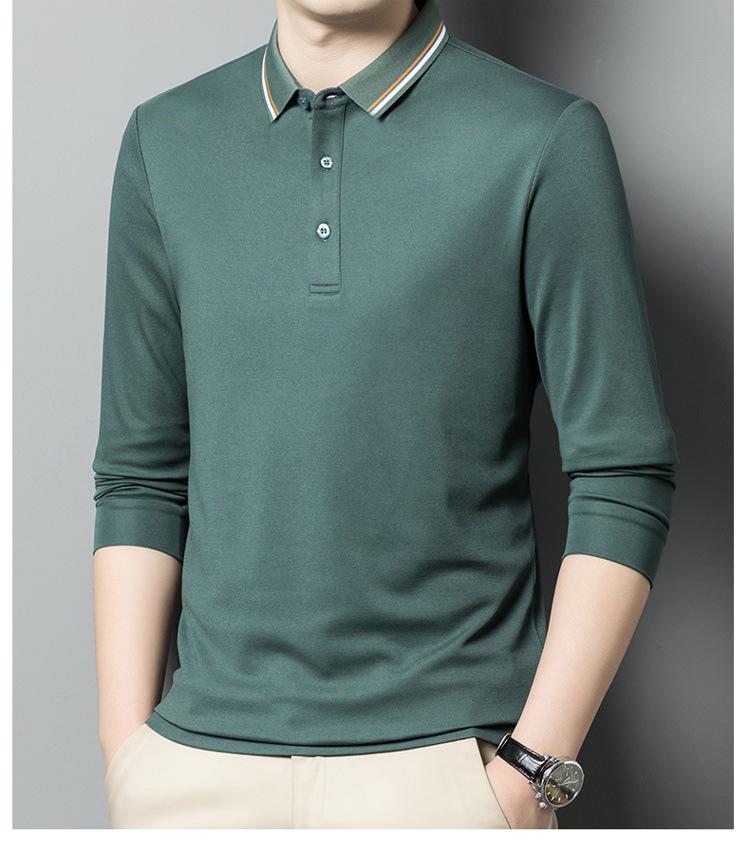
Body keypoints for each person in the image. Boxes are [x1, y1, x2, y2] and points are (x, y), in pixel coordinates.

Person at [91, 0, 679, 830]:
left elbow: (623, 471)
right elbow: (138, 475)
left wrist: (527, 773)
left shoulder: (542, 137)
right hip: (195, 774)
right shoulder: (166, 139)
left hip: (447, 775)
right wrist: (128, 755)